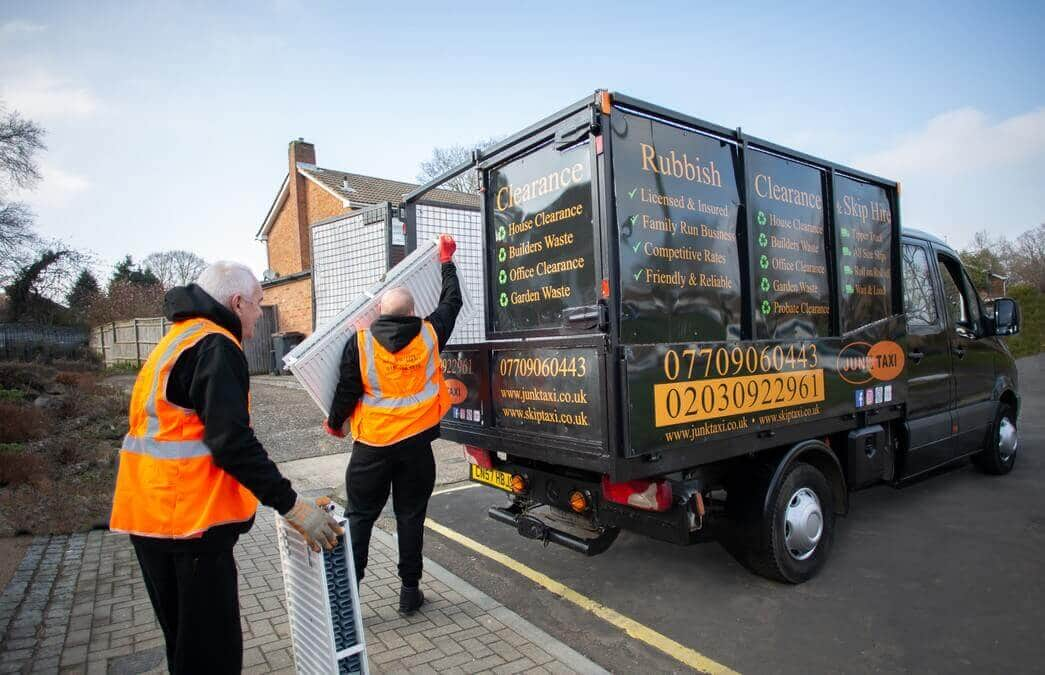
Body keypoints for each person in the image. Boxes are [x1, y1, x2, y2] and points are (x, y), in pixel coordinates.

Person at [110, 261, 342, 674]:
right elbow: (231, 443)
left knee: (185, 650)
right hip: (190, 528)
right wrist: (293, 506)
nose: (258, 313)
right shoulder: (216, 346)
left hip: (151, 520)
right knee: (211, 658)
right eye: (257, 304)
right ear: (237, 303)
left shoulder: (177, 340)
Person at [324, 234, 461, 614]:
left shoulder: (362, 341)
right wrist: (446, 262)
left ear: (379, 313)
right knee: (410, 517)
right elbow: (453, 302)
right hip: (416, 449)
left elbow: (347, 388)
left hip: (371, 449)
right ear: (413, 311)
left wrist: (335, 423)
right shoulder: (431, 333)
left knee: (360, 518)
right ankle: (408, 592)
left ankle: (347, 601)